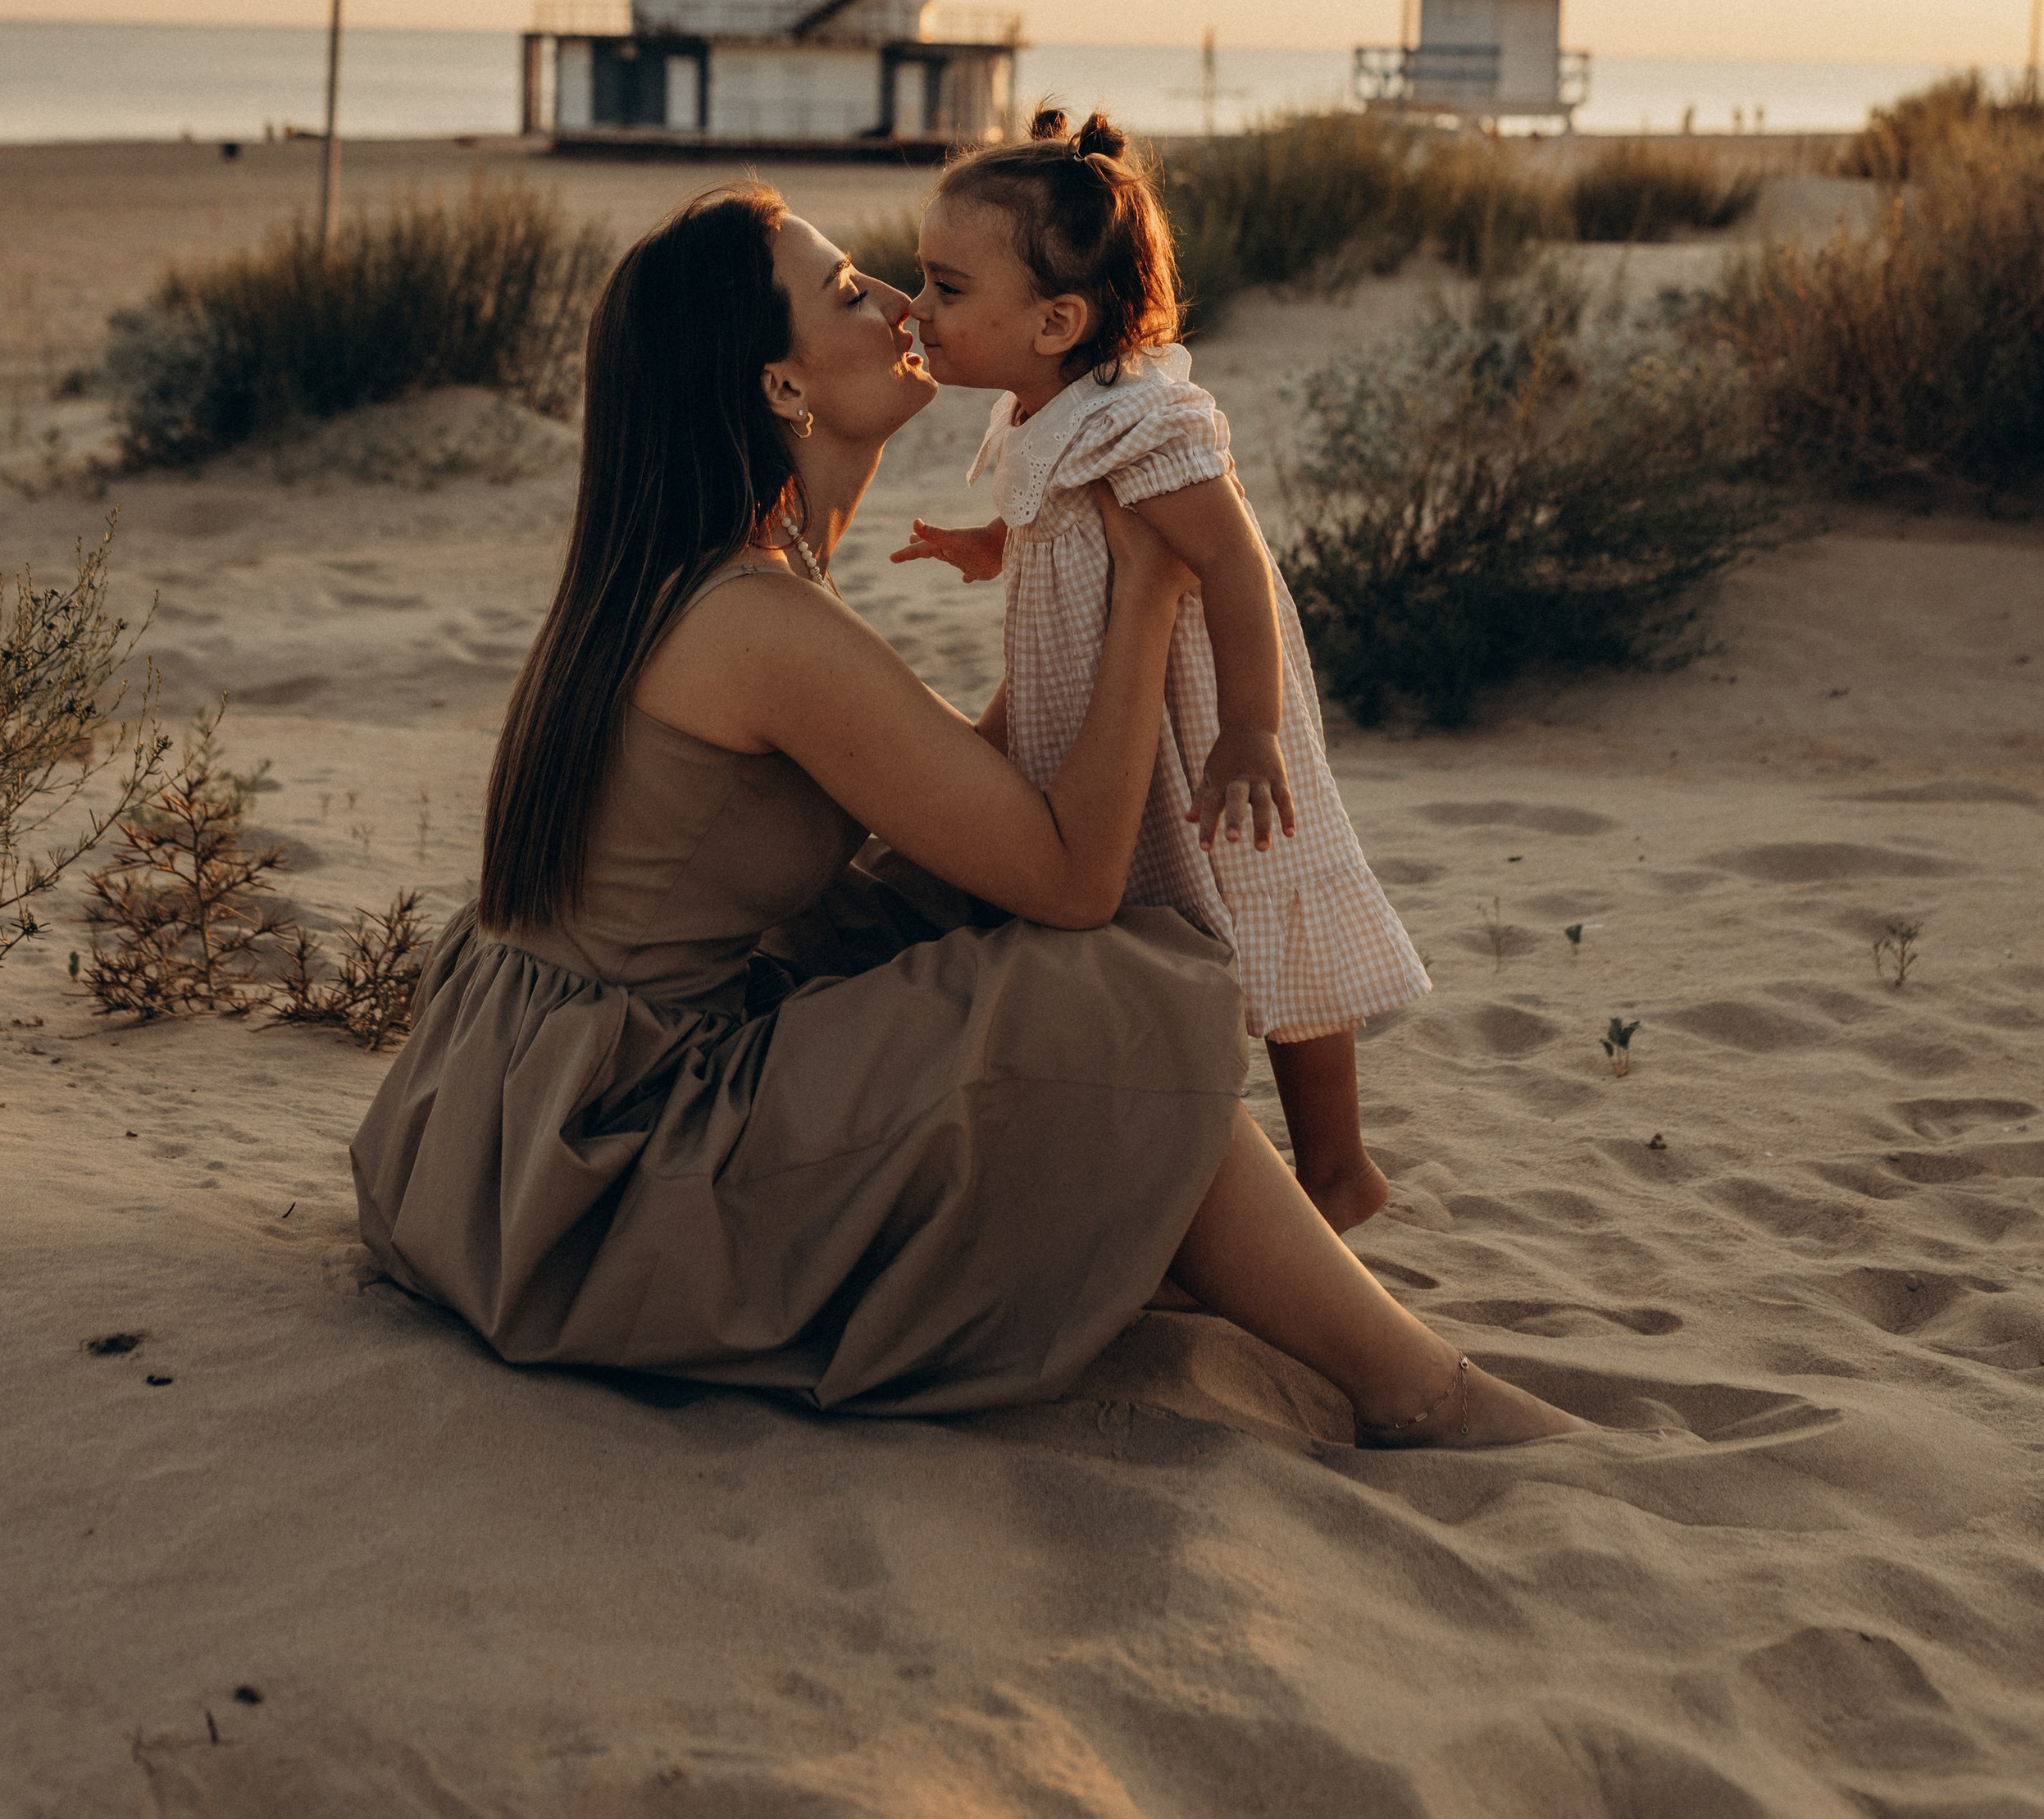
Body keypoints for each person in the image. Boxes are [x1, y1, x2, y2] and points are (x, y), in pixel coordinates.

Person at [353, 186, 1577, 1445]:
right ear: (781, 389)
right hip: (612, 1156)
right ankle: (1416, 1389)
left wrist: (1075, 587)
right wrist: (1150, 588)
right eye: (846, 295)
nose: (895, 303)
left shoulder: (704, 569)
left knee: (964, 918)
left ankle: (1182, 1235)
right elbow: (1075, 878)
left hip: (519, 1097)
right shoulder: (756, 617)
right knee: (1100, 984)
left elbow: (960, 784)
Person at [895, 107, 1424, 1232]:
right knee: (1163, 914)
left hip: (1197, 721)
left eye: (946, 288)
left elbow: (1230, 562)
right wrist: (989, 546)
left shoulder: (1140, 421)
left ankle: (1340, 1168)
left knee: (1266, 901)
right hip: (1098, 700)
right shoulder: (1043, 408)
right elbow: (1060, 523)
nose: (919, 309)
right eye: (921, 281)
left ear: (1057, 320)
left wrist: (1253, 730)